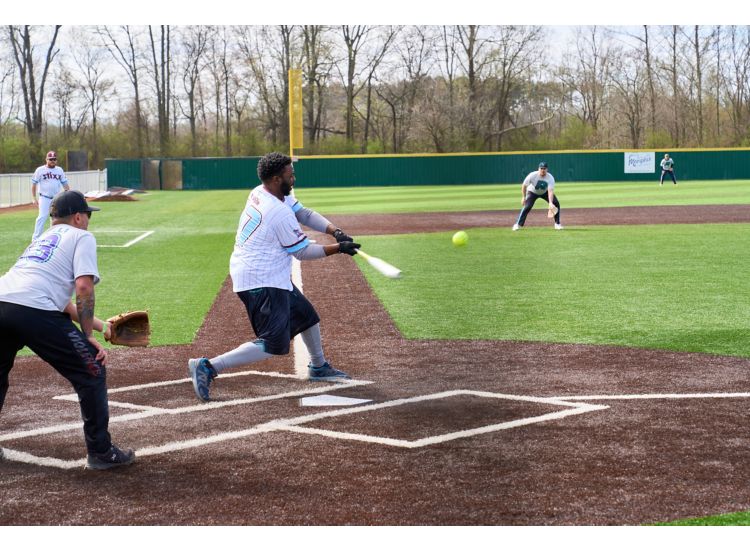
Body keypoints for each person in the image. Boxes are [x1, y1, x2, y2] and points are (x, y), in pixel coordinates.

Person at [188, 152, 361, 402]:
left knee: (306, 316)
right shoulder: (275, 211)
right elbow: (301, 252)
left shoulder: (263, 191)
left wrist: (336, 232)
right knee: (273, 343)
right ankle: (209, 366)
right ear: (277, 178)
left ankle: (319, 366)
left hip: (267, 273)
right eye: (291, 175)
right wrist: (339, 249)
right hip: (261, 280)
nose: (294, 177)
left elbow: (304, 213)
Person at [0, 190, 135, 470]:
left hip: (4, 302)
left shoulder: (40, 241)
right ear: (77, 217)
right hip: (33, 309)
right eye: (87, 215)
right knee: (92, 370)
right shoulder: (81, 236)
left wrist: (101, 327)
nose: (88, 221)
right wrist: (88, 338)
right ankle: (100, 452)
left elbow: (59, 302)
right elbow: (83, 288)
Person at [31, 151, 70, 241]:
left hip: (56, 198)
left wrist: (68, 194)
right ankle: (35, 239)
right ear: (46, 160)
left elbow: (65, 184)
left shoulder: (59, 170)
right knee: (42, 217)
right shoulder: (40, 170)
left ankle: (52, 237)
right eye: (50, 159)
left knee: (55, 218)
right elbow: (34, 184)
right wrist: (33, 197)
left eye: (54, 159)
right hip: (44, 197)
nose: (52, 161)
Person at [512, 161, 562, 231]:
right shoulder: (532, 175)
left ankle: (557, 224)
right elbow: (524, 186)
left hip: (545, 192)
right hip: (532, 192)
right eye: (541, 168)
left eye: (544, 168)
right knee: (527, 206)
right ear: (538, 169)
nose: (543, 170)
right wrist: (523, 197)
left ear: (547, 169)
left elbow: (550, 191)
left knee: (555, 203)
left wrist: (550, 202)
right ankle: (517, 224)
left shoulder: (550, 177)